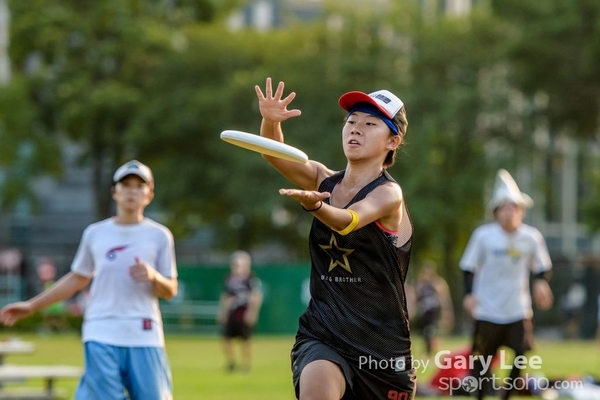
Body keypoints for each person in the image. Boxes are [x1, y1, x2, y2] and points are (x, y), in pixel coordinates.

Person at [254, 78, 415, 400]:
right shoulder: (321, 177)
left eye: (370, 124)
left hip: (382, 346)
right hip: (323, 333)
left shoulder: (389, 194)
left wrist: (316, 206)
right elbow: (273, 154)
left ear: (393, 141)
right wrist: (271, 121)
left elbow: (348, 221)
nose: (356, 129)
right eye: (351, 121)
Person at [0, 160, 178, 400]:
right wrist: (32, 305)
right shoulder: (96, 233)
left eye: (139, 186)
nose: (132, 191)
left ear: (149, 195)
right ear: (115, 192)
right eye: (126, 185)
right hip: (101, 330)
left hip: (144, 332)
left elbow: (170, 290)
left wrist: (153, 276)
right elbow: (77, 278)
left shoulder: (159, 236)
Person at [460, 169, 553, 400]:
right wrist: (469, 294)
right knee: (482, 359)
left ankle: (506, 395)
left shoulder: (531, 237)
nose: (509, 212)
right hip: (487, 309)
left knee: (520, 354)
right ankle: (480, 395)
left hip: (518, 309)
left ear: (521, 211)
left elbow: (542, 266)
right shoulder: (483, 236)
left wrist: (541, 283)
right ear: (496, 211)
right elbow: (468, 267)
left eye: (514, 207)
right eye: (504, 207)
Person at [217, 250, 263, 373]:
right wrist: (223, 312)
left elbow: (256, 296)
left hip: (243, 312)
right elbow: (226, 296)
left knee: (246, 339)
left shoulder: (251, 279)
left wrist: (252, 312)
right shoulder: (229, 279)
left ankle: (246, 364)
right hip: (232, 312)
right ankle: (231, 363)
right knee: (226, 337)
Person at [413, 261, 453, 358]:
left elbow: (444, 298)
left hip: (434, 312)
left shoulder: (438, 283)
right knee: (425, 333)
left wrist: (446, 312)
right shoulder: (420, 284)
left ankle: (429, 353)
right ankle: (431, 350)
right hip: (423, 313)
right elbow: (416, 297)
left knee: (430, 331)